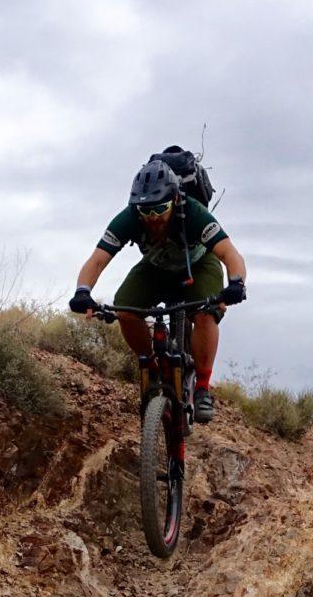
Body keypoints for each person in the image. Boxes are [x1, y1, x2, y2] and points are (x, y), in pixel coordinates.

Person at [69, 158, 247, 423]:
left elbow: (230, 254)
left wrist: (236, 284)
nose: (152, 218)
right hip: (155, 267)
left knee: (205, 313)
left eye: (160, 209)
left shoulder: (194, 212)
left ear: (175, 200)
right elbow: (96, 260)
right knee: (125, 308)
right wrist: (83, 291)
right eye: (145, 211)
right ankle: (151, 368)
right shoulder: (129, 218)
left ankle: (202, 389)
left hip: (197, 266)